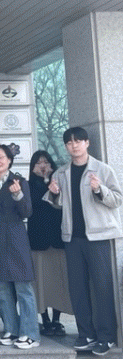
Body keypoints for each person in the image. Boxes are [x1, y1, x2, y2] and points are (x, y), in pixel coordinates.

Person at [45, 127, 123, 356]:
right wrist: (54, 193)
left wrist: (99, 189)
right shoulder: (61, 172)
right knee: (78, 288)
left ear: (87, 143)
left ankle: (106, 337)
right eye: (69, 142)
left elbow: (117, 199)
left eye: (78, 141)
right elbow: (57, 204)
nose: (74, 145)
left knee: (103, 287)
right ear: (66, 146)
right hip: (72, 238)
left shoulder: (103, 169)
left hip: (98, 237)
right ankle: (86, 334)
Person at [0, 144, 39, 349]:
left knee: (23, 287)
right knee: (1, 288)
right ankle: (11, 329)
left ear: (9, 160)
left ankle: (30, 333)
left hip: (16, 238)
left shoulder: (19, 182)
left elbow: (27, 212)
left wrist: (18, 195)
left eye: (1, 157)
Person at [27, 150, 70, 337]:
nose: (43, 165)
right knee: (41, 283)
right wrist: (44, 184)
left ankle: (57, 320)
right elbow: (32, 205)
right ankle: (44, 320)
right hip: (38, 241)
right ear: (32, 167)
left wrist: (53, 187)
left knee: (58, 282)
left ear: (52, 165)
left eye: (46, 162)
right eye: (38, 163)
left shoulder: (59, 182)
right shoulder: (28, 185)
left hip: (57, 240)